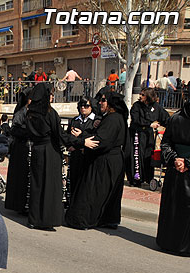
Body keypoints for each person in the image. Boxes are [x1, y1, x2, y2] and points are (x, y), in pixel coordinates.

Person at [65, 91, 128, 230]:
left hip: (106, 161)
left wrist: (81, 141)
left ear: (111, 103)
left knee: (91, 191)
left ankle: (82, 220)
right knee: (106, 193)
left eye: (104, 100)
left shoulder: (113, 119)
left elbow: (101, 141)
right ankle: (106, 219)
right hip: (111, 160)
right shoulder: (113, 118)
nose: (100, 103)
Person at [26, 83, 74, 230]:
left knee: (37, 184)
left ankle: (34, 219)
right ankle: (47, 219)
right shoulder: (49, 112)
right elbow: (59, 134)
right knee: (50, 186)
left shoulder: (30, 113)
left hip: (37, 150)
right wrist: (78, 142)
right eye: (50, 94)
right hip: (50, 150)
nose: (52, 97)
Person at [156, 90, 190, 256]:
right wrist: (175, 159)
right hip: (175, 170)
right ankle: (169, 242)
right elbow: (166, 143)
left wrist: (187, 162)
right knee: (173, 208)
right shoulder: (176, 119)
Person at [127, 88, 169, 186]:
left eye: (143, 95)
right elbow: (136, 120)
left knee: (148, 155)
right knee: (137, 156)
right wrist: (149, 124)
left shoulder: (156, 107)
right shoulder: (137, 106)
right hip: (137, 133)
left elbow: (164, 118)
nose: (140, 96)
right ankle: (136, 178)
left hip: (149, 135)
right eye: (140, 94)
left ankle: (148, 177)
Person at [4, 87, 32, 213]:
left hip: (26, 147)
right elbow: (15, 130)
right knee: (20, 178)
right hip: (20, 148)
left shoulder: (31, 111)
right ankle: (19, 205)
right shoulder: (21, 112)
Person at [66, 96, 96, 196]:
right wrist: (73, 145)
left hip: (89, 156)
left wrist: (81, 137)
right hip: (75, 155)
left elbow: (93, 138)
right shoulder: (75, 120)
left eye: (86, 106)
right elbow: (68, 137)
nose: (83, 108)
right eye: (81, 106)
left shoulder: (95, 121)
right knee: (74, 181)